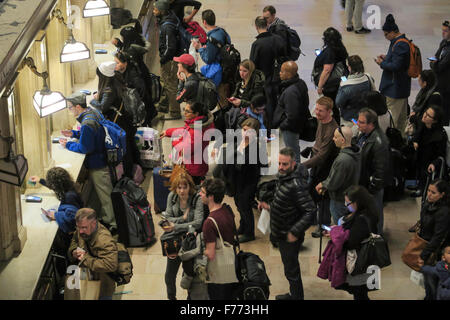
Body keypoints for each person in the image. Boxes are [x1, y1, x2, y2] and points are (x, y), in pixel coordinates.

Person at [258, 147, 316, 300]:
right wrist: (269, 206)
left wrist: (295, 232)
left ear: (293, 163)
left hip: (289, 234)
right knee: (289, 268)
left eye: (284, 164)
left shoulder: (296, 185)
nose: (281, 168)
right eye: (279, 163)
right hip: (282, 229)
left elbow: (311, 211)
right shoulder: (285, 177)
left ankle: (296, 297)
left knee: (292, 270)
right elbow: (287, 202)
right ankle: (294, 294)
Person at [60, 92, 117, 233]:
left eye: (70, 107)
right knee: (103, 192)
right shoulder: (93, 112)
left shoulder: (86, 123)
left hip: (98, 164)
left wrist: (67, 145)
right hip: (103, 158)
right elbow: (92, 135)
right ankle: (108, 218)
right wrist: (74, 134)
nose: (70, 110)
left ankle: (113, 224)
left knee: (105, 195)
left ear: (78, 107)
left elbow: (85, 147)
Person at [30, 167, 84, 276]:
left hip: (72, 237)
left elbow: (72, 218)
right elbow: (56, 187)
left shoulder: (69, 197)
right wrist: (40, 180)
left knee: (69, 258)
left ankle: (69, 280)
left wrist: (56, 215)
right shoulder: (70, 188)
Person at [92, 60, 140, 179]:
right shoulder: (116, 81)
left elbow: (103, 107)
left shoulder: (109, 89)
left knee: (125, 151)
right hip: (125, 121)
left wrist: (93, 100)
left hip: (119, 123)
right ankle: (134, 169)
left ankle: (128, 176)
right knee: (128, 147)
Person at [162, 173, 204, 300]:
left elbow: (198, 222)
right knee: (169, 275)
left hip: (189, 242)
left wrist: (175, 226)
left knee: (189, 276)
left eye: (184, 187)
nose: (181, 191)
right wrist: (183, 219)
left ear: (189, 187)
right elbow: (167, 217)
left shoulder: (197, 198)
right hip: (173, 241)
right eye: (179, 187)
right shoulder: (172, 197)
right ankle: (171, 297)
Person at [302, 96, 339, 236]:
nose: (316, 113)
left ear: (329, 111)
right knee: (311, 191)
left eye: (320, 111)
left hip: (325, 166)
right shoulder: (321, 121)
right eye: (316, 109)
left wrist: (302, 166)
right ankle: (313, 219)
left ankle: (323, 226)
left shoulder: (332, 130)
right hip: (317, 162)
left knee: (323, 197)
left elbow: (323, 155)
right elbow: (319, 144)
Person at [353, 108, 390, 235]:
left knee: (375, 214)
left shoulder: (379, 142)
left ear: (371, 124)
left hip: (372, 188)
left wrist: (371, 189)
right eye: (358, 120)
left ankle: (376, 240)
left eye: (361, 122)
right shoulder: (364, 135)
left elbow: (381, 171)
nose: (357, 123)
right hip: (364, 184)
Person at [200, 178, 238, 300]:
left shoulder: (209, 223)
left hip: (219, 274)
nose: (199, 194)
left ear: (210, 196)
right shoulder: (227, 210)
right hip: (231, 265)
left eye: (202, 192)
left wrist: (199, 250)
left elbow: (211, 254)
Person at [68, 208, 118, 300]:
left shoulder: (104, 240)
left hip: (103, 285)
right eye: (78, 227)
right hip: (86, 279)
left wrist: (85, 259)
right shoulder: (82, 229)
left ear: (94, 223)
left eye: (83, 227)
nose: (80, 231)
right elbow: (75, 240)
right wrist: (73, 251)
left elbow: (111, 265)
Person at [339, 185, 379, 300]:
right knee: (361, 292)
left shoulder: (361, 219)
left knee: (359, 293)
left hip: (360, 262)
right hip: (368, 261)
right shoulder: (370, 211)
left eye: (348, 203)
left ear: (358, 202)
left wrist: (337, 237)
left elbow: (352, 242)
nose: (346, 206)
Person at [315, 126, 361, 224]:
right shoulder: (356, 153)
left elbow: (334, 182)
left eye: (335, 137)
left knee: (341, 227)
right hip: (350, 197)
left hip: (340, 200)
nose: (333, 139)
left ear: (342, 140)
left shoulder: (342, 160)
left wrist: (323, 184)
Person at [161, 101, 214, 185]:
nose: (184, 113)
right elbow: (185, 130)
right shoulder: (199, 123)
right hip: (198, 165)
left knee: (190, 189)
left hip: (192, 169)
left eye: (187, 111)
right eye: (184, 110)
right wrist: (168, 132)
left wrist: (175, 141)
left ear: (196, 113)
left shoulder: (197, 130)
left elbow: (186, 150)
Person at [375, 14, 411, 134]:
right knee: (401, 120)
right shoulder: (398, 42)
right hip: (399, 88)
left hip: (395, 89)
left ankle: (393, 146)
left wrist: (381, 63)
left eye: (386, 34)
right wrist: (386, 58)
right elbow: (397, 61)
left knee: (393, 121)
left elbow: (396, 66)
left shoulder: (400, 44)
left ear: (393, 32)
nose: (385, 37)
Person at [232, 118, 265, 243]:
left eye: (249, 131)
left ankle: (249, 232)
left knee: (245, 206)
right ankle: (243, 226)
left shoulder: (254, 148)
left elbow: (243, 165)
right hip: (238, 181)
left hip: (248, 182)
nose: (245, 133)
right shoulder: (241, 142)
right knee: (239, 205)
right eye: (244, 130)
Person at [250, 16, 287, 125]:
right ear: (267, 25)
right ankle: (279, 121)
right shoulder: (279, 39)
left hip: (265, 79)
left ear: (256, 27)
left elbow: (253, 65)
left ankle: (271, 126)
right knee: (279, 101)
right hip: (279, 77)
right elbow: (285, 58)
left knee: (268, 103)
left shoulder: (257, 44)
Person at [416, 179, 450, 300]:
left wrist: (424, 254)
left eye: (433, 192)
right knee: (427, 280)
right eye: (429, 191)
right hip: (427, 246)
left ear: (442, 195)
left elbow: (438, 237)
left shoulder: (444, 212)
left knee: (434, 280)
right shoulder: (427, 205)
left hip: (436, 251)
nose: (429, 194)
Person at [192, 9, 232, 108]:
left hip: (219, 72)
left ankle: (224, 120)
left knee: (222, 100)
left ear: (204, 22)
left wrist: (200, 48)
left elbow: (208, 59)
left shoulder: (212, 39)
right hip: (228, 68)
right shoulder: (222, 31)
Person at [272, 61, 310, 165]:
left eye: (282, 71)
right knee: (294, 150)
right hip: (297, 124)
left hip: (291, 128)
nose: (279, 73)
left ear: (288, 74)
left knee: (292, 153)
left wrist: (283, 125)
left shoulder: (290, 92)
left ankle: (295, 176)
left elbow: (292, 115)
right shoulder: (300, 83)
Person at [410, 105, 447, 197]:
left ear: (434, 121)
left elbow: (441, 155)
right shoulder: (423, 124)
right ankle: (418, 185)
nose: (424, 115)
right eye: (426, 112)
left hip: (430, 160)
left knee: (425, 169)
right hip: (421, 155)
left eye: (428, 115)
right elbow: (416, 134)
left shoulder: (439, 136)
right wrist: (415, 141)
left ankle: (422, 189)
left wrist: (434, 163)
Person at [153, 0, 182, 120]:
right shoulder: (171, 18)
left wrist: (163, 59)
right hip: (171, 59)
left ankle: (175, 113)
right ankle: (163, 106)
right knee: (166, 82)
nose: (153, 11)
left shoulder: (167, 26)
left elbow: (170, 47)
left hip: (170, 61)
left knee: (171, 86)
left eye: (155, 10)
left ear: (161, 11)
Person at [314, 27, 349, 124]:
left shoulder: (330, 51)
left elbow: (327, 70)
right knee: (335, 106)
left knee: (331, 106)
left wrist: (320, 86)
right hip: (340, 80)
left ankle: (334, 126)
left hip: (331, 85)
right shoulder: (340, 47)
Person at [114, 51, 156, 126]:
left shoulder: (134, 76)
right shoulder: (120, 72)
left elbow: (142, 93)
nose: (115, 65)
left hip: (142, 108)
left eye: (117, 63)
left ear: (125, 63)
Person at [336, 55, 376, 128]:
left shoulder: (345, 86)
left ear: (350, 67)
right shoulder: (368, 77)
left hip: (350, 119)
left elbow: (338, 103)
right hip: (365, 117)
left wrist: (341, 85)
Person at [430, 20, 450, 125]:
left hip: (447, 87)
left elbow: (440, 66)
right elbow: (435, 58)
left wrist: (435, 64)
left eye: (445, 31)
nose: (442, 33)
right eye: (442, 30)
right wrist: (435, 63)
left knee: (445, 113)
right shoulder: (443, 43)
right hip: (439, 83)